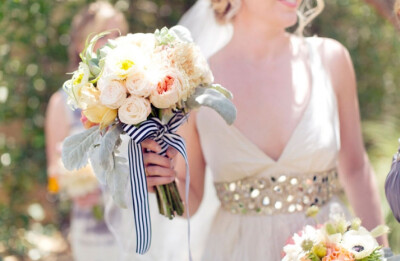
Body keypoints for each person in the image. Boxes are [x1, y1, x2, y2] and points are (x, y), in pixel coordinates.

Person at [141, 0, 389, 259]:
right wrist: (162, 180)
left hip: (332, 248)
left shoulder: (331, 59)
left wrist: (382, 252)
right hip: (237, 250)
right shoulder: (193, 87)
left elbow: (356, 170)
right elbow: (189, 201)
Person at [45, 2, 128, 261]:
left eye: (119, 35)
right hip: (94, 236)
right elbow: (53, 179)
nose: (114, 42)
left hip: (139, 229)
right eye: (105, 35)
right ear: (82, 44)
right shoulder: (61, 104)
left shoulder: (137, 98)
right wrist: (75, 187)